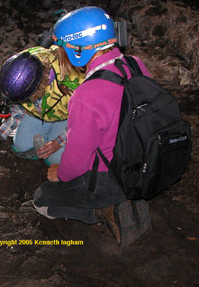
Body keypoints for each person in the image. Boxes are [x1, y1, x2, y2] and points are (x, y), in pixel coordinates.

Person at [33, 7, 151, 247]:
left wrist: (61, 174)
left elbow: (77, 160)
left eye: (63, 48)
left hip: (109, 178)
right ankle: (126, 198)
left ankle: (103, 212)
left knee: (41, 201)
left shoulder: (88, 94)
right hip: (143, 166)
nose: (61, 54)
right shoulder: (135, 64)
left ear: (78, 49)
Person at [0, 46, 84, 165]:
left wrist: (57, 142)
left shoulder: (72, 84)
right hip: (41, 112)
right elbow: (17, 113)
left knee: (55, 159)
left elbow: (84, 121)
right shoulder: (18, 70)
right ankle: (50, 134)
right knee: (22, 146)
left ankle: (56, 135)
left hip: (69, 117)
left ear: (38, 88)